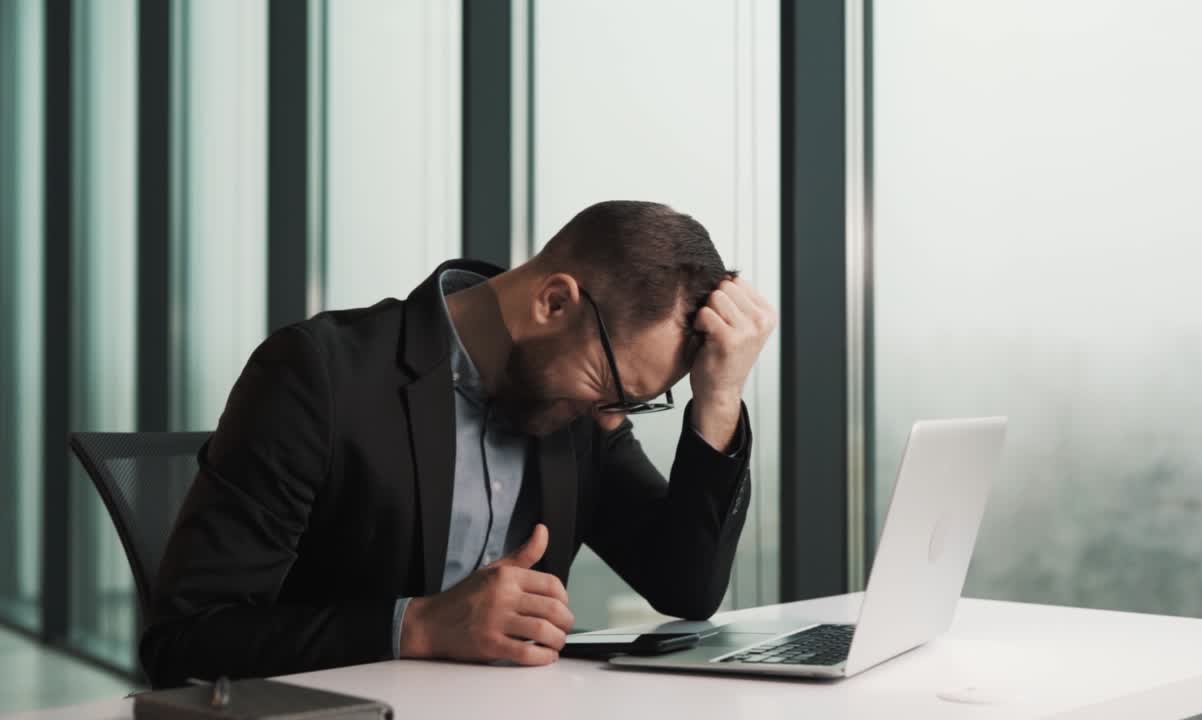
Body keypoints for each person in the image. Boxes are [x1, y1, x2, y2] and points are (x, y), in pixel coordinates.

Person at [141, 200, 777, 688]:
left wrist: (718, 400)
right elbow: (186, 640)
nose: (607, 415)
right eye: (608, 389)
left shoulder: (580, 404)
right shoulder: (319, 375)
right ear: (554, 302)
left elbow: (685, 587)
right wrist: (415, 625)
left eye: (630, 403)